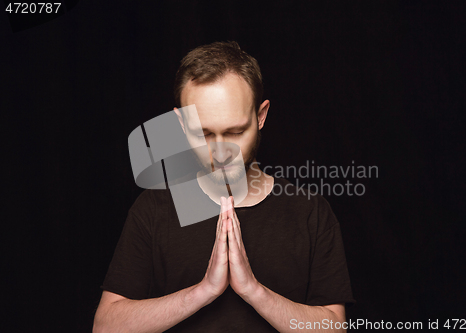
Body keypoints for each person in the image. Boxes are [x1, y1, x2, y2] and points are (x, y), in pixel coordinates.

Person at [93, 41, 355, 332]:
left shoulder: (309, 212)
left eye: (235, 132)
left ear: (261, 116)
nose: (220, 152)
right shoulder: (153, 210)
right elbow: (105, 327)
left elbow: (335, 328)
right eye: (203, 133)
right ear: (181, 123)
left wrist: (254, 291)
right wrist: (204, 291)